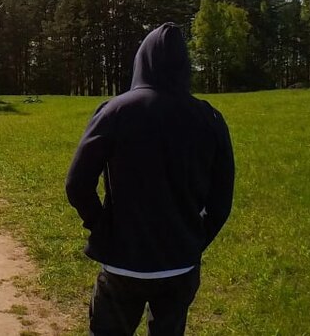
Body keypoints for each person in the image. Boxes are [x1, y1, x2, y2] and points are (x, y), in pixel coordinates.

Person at [65, 23, 235, 336]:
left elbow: (77, 185)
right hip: (180, 264)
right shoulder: (209, 118)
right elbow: (222, 200)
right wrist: (194, 240)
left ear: (141, 61)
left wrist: (102, 226)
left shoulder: (115, 111)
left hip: (121, 263)